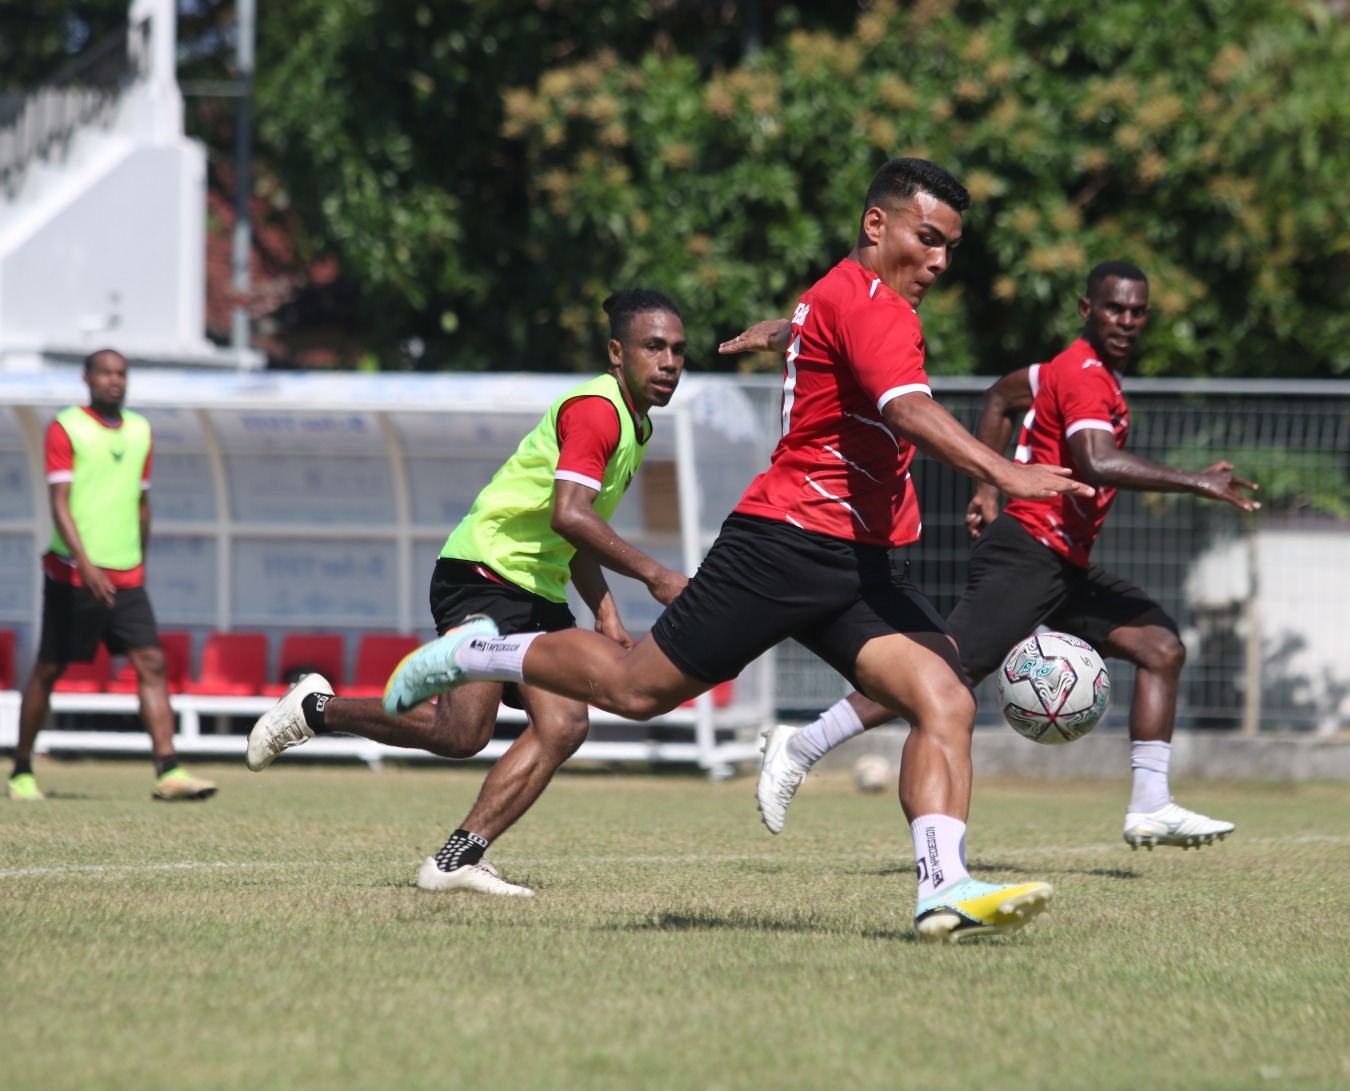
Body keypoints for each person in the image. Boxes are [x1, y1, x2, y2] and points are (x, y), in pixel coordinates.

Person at [383, 158, 1092, 943]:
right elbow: (909, 408)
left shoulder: (843, 297)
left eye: (950, 247)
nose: (939, 261)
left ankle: (942, 888)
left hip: (857, 564)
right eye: (928, 239)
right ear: (876, 225)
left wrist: (789, 334)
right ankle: (482, 652)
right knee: (632, 689)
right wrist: (1003, 469)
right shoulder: (870, 306)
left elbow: (835, 336)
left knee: (944, 696)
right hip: (783, 547)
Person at [753, 261, 1260, 849]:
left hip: (1062, 561)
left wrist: (986, 488)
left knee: (1160, 647)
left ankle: (1150, 804)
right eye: (1114, 307)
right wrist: (1195, 480)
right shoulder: (1086, 375)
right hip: (1027, 552)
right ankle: (801, 744)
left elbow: (1000, 395)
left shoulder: (1062, 370)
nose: (1126, 319)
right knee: (944, 673)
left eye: (1136, 310)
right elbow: (1094, 461)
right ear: (1086, 310)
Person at [246, 289, 690, 895]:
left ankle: (456, 860)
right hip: (482, 573)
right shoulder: (597, 411)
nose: (669, 362)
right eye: (653, 347)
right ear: (617, 352)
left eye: (678, 351)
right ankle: (313, 710)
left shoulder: (634, 425)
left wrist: (606, 611)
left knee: (563, 725)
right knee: (462, 733)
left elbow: (575, 529)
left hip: (537, 592)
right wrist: (657, 577)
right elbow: (570, 516)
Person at [8, 350, 216, 802]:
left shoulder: (140, 430)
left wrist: (140, 554)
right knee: (49, 669)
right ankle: (21, 770)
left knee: (152, 663)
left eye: (121, 373)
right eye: (106, 373)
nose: (115, 381)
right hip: (73, 574)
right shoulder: (67, 427)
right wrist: (84, 563)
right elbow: (59, 503)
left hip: (127, 577)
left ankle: (169, 770)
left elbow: (141, 501)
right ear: (87, 378)